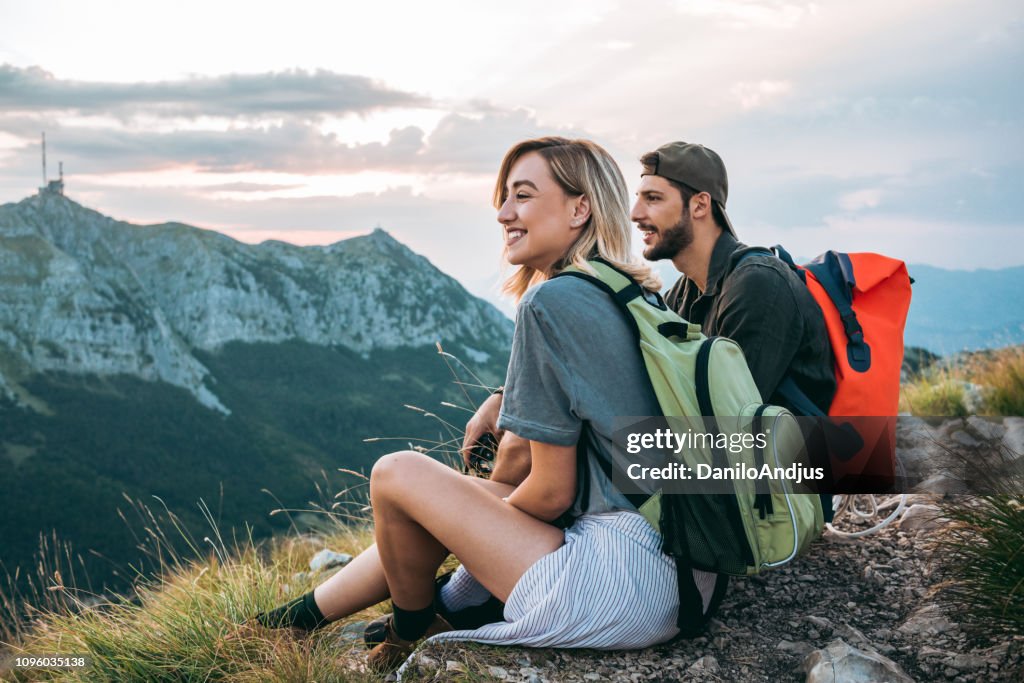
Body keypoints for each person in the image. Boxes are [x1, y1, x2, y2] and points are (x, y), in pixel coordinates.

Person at [254, 137, 726, 673]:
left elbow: (550, 493)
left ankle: (413, 627)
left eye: (522, 196)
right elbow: (528, 460)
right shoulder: (629, 292)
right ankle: (293, 621)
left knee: (396, 474)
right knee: (449, 500)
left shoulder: (552, 301)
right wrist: (467, 512)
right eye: (504, 199)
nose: (503, 214)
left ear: (579, 208)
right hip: (687, 574)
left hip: (624, 584)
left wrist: (465, 546)